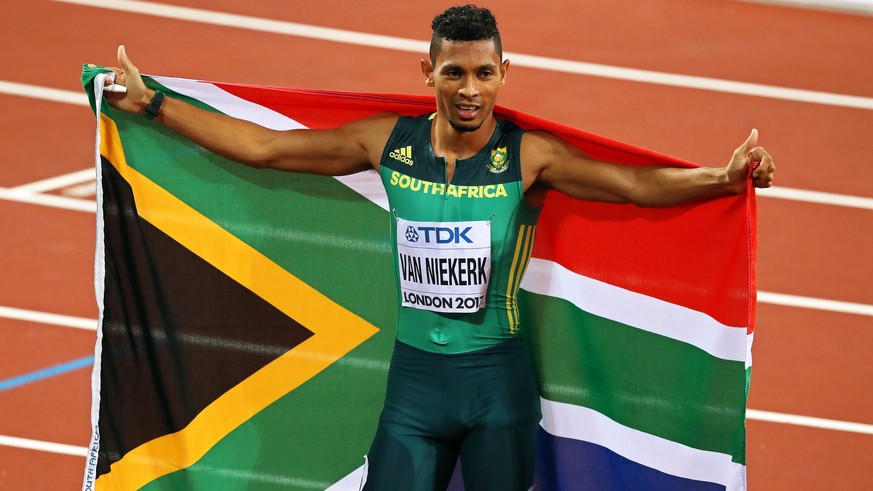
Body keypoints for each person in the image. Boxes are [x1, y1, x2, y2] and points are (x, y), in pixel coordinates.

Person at [105, 5, 774, 490]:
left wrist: (720, 177)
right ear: (427, 72)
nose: (469, 90)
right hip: (415, 387)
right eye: (454, 72)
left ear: (504, 72)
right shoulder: (385, 145)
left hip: (497, 388)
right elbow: (266, 148)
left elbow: (631, 184)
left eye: (484, 73)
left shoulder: (528, 157)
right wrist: (156, 106)